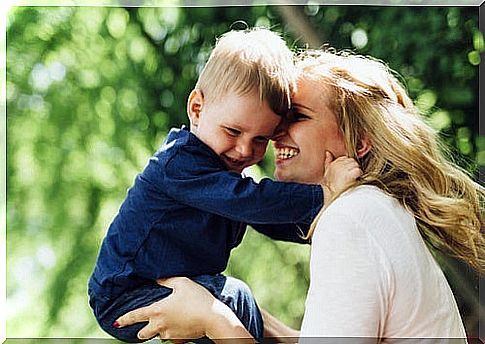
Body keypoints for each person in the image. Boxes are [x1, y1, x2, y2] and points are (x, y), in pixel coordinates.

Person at [114, 48, 484, 343]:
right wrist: (258, 322)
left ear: (359, 141)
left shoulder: (350, 219)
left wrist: (214, 318)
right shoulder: (376, 210)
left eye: (297, 117)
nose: (274, 136)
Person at [88, 29, 362, 343]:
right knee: (232, 299)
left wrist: (327, 224)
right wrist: (325, 193)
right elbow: (255, 203)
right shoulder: (178, 164)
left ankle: (289, 339)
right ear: (197, 108)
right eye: (233, 131)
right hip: (124, 292)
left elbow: (269, 221)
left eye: (260, 139)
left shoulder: (227, 178)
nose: (245, 150)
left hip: (175, 283)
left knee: (235, 296)